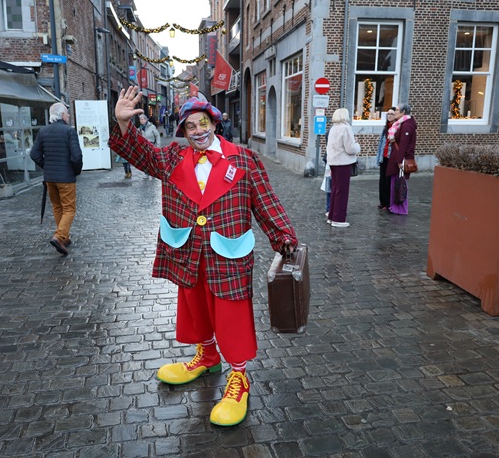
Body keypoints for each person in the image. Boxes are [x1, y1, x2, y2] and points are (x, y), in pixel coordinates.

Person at [109, 87, 297, 427]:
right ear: (183, 130)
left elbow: (266, 203)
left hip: (228, 254)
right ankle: (208, 356)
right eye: (190, 126)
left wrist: (283, 236)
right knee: (195, 309)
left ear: (214, 123)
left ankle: (239, 377)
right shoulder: (173, 157)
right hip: (188, 252)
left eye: (203, 123)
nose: (198, 131)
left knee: (231, 316)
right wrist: (123, 124)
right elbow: (142, 154)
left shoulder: (244, 159)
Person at [30, 103, 83, 256]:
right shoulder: (69, 131)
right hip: (65, 178)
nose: (69, 116)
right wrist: (75, 171)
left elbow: (34, 154)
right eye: (67, 113)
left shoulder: (43, 131)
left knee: (58, 208)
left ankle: (64, 237)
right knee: (69, 209)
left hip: (50, 178)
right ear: (62, 115)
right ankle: (59, 237)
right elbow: (77, 156)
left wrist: (46, 166)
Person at [325, 108, 361, 228]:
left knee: (335, 189)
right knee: (342, 191)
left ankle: (332, 216)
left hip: (333, 162)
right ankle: (338, 219)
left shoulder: (333, 128)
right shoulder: (345, 128)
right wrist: (357, 145)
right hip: (343, 162)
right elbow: (350, 148)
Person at [386, 103, 417, 215]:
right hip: (397, 157)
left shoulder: (407, 125)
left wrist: (399, 160)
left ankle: (400, 208)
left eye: (397, 110)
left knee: (400, 184)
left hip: (401, 159)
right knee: (395, 183)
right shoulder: (401, 124)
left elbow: (404, 144)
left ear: (403, 112)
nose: (395, 112)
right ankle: (394, 206)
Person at [376, 107, 396, 210]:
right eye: (388, 114)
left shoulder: (396, 128)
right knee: (382, 180)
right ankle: (382, 201)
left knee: (388, 180)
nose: (389, 116)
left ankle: (388, 202)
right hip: (383, 157)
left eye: (391, 114)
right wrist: (378, 157)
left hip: (390, 158)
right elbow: (381, 143)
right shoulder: (385, 128)